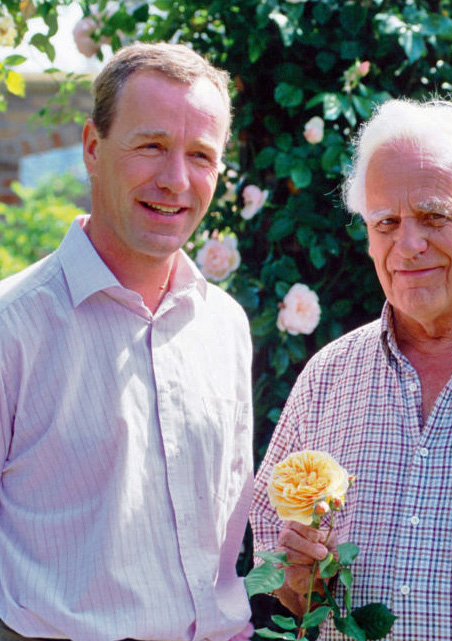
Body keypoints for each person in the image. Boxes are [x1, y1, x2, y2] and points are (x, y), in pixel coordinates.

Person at [250, 99, 452, 640]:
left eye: (434, 216)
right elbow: (278, 592)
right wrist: (294, 581)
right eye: (386, 222)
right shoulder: (327, 379)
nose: (408, 245)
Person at [0, 43, 254, 641]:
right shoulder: (13, 326)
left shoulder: (226, 326)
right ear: (92, 148)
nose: (175, 180)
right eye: (151, 146)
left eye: (200, 155)